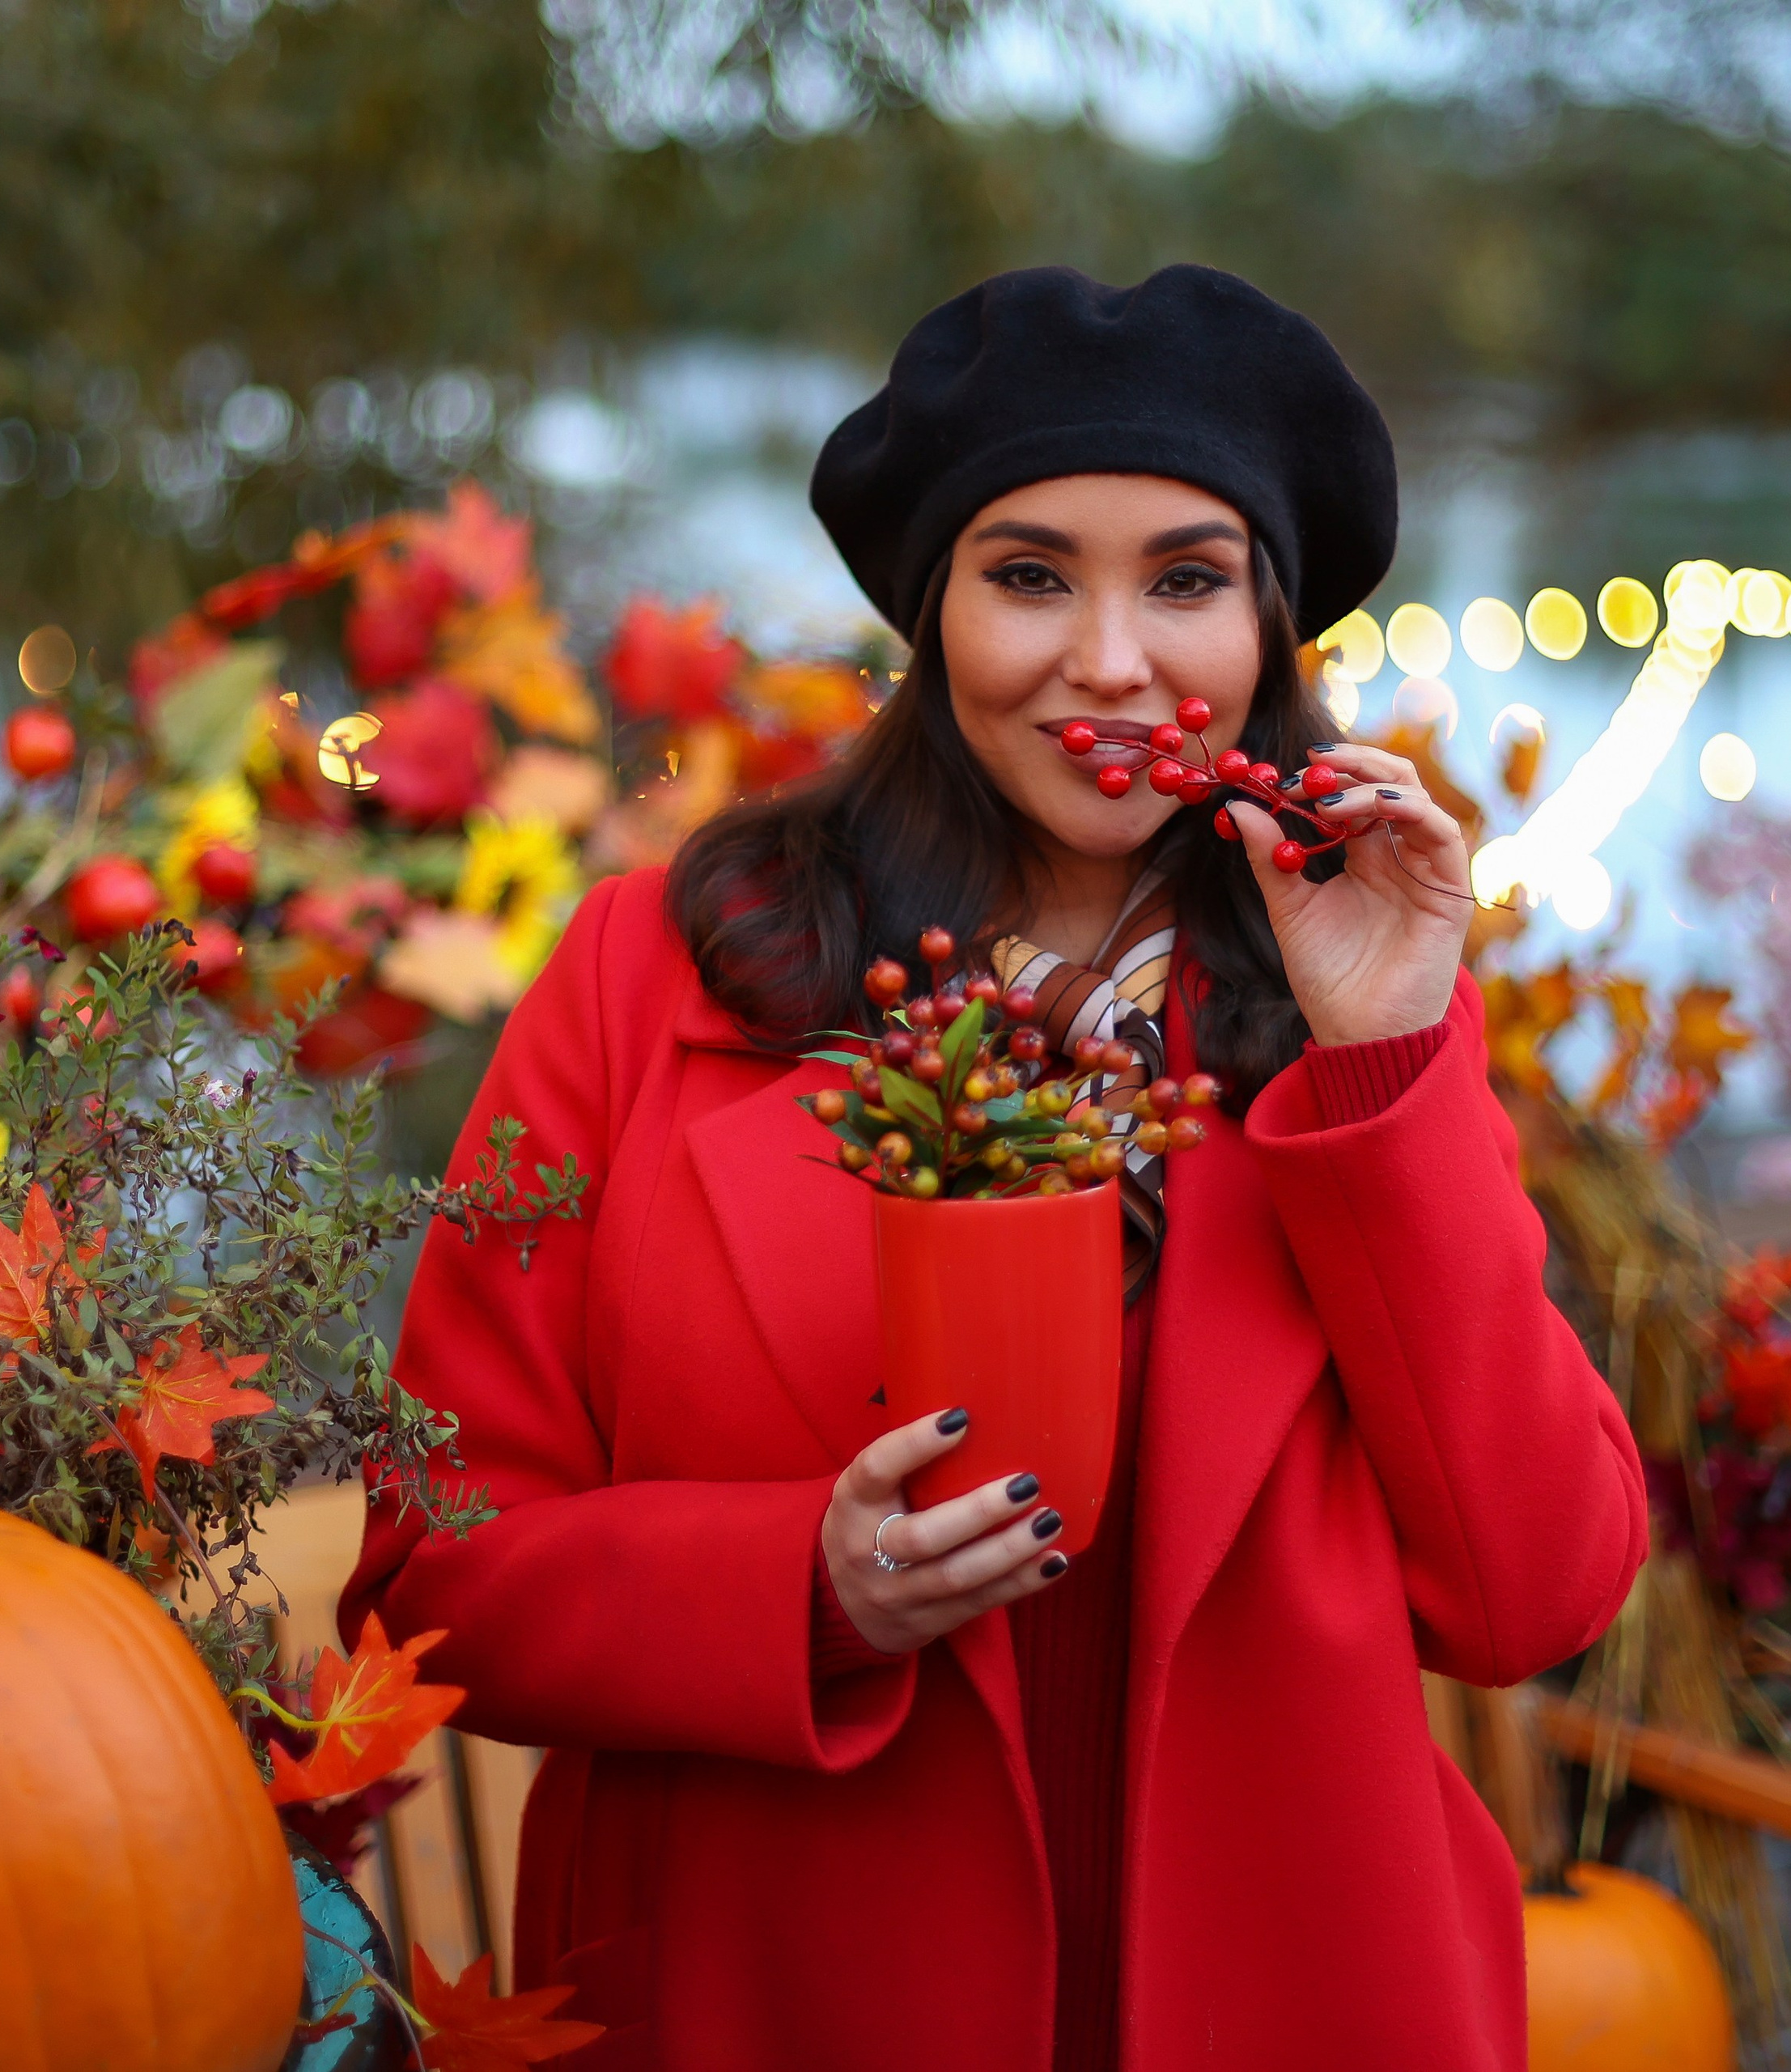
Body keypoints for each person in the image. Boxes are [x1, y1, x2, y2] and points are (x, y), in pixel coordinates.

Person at [342, 264, 1647, 2072]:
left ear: (1264, 629)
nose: (1106, 660)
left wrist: (1386, 1058)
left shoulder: (1348, 994)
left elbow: (1532, 1594)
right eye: (1027, 574)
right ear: (928, 608)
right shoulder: (656, 973)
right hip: (785, 1987)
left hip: (1292, 1983)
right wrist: (792, 1585)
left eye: (1184, 580)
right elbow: (431, 1573)